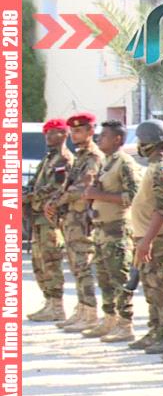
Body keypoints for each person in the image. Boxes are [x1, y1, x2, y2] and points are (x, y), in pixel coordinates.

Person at [81, 120, 141, 342]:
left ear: (117, 139)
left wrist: (98, 195)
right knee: (104, 278)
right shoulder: (106, 162)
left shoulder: (124, 163)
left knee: (119, 279)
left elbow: (134, 195)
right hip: (101, 230)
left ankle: (125, 324)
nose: (99, 139)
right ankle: (109, 319)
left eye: (104, 135)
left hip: (117, 230)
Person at [45, 112, 104, 332]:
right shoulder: (80, 157)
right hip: (71, 219)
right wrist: (53, 201)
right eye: (73, 131)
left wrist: (57, 201)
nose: (74, 135)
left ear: (91, 131)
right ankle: (81, 308)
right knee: (76, 266)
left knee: (83, 265)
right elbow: (67, 185)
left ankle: (90, 313)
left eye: (79, 131)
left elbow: (82, 187)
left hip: (83, 219)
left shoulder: (93, 157)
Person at [128, 119, 163, 352]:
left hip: (157, 239)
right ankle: (156, 328)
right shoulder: (152, 166)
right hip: (146, 238)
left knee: (162, 286)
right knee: (151, 287)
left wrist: (147, 240)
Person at [26, 119, 74, 322]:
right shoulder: (49, 158)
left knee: (51, 260)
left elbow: (56, 187)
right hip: (38, 217)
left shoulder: (63, 159)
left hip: (51, 218)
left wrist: (29, 197)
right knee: (39, 262)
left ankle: (57, 306)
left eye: (53, 132)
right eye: (46, 133)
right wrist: (25, 193)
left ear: (64, 134)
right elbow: (34, 183)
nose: (48, 136)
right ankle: (48, 302)